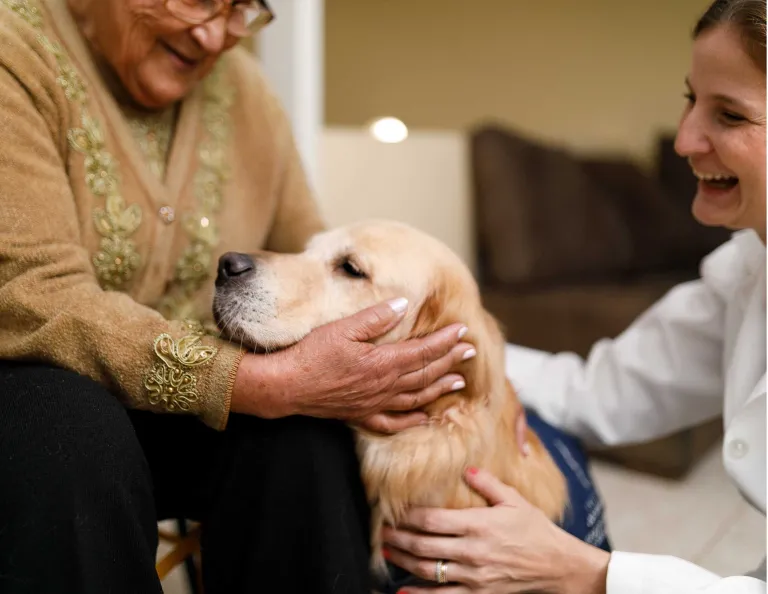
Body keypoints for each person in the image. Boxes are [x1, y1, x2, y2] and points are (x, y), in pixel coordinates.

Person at [0, 1, 478, 593]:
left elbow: (307, 261)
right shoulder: (13, 51)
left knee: (304, 436)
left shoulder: (248, 93)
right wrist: (268, 384)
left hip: (177, 418)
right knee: (70, 427)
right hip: (31, 401)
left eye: (243, 7)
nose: (213, 35)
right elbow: (30, 292)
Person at [381, 0, 767, 592]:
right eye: (692, 99)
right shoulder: (745, 270)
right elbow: (598, 392)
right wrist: (459, 351)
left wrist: (585, 572)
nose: (686, 139)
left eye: (731, 116)